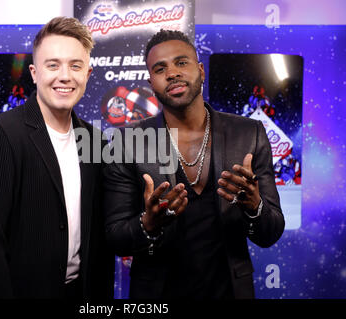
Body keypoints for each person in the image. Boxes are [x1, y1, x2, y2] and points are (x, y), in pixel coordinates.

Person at [103, 30, 285, 299]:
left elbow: (270, 232)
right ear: (151, 82)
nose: (173, 73)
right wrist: (148, 222)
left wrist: (254, 205)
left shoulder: (249, 134)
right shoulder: (125, 142)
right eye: (160, 68)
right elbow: (115, 237)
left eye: (181, 62)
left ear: (200, 70)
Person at [0, 17, 114, 299]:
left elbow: (100, 235)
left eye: (75, 65)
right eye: (53, 65)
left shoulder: (95, 140)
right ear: (34, 73)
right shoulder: (0, 135)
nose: (65, 76)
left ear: (88, 74)